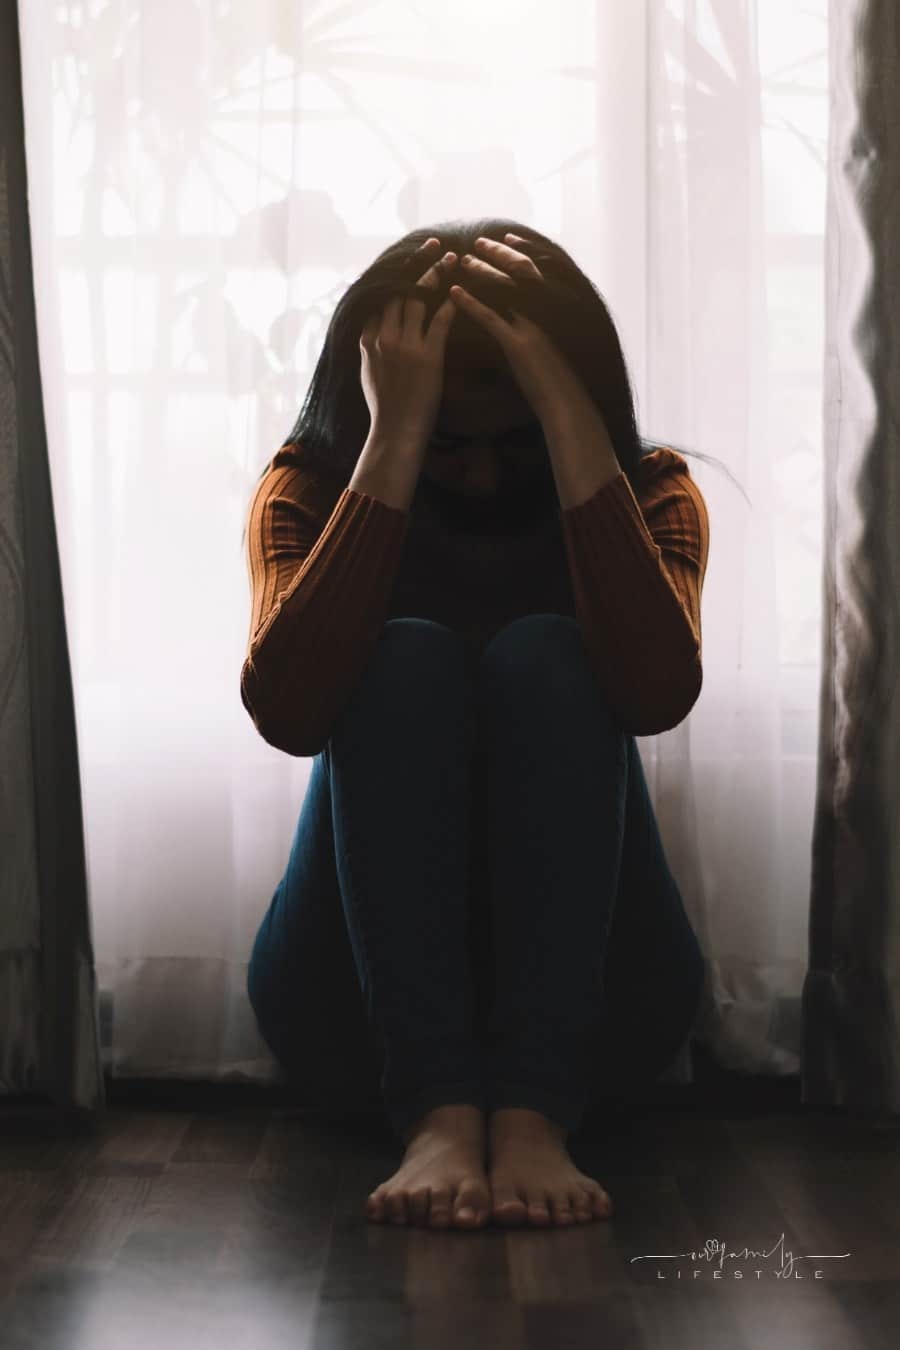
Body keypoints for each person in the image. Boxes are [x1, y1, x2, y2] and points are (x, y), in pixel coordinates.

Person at [240, 221, 713, 1233]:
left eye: (518, 440)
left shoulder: (654, 490)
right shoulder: (312, 490)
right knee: (403, 656)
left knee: (549, 654)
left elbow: (655, 695)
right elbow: (289, 713)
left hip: (604, 1018)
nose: (489, 479)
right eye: (455, 444)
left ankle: (538, 1109)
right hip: (349, 1019)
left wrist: (570, 414)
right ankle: (437, 1112)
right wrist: (393, 445)